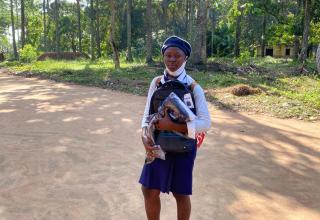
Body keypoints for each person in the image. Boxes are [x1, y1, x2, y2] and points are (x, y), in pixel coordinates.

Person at [139, 36, 211, 220]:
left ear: (185, 57)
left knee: (181, 193)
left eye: (176, 56)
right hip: (158, 145)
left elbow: (205, 123)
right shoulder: (156, 83)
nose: (171, 60)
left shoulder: (194, 88)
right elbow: (148, 112)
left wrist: (173, 126)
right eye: (167, 55)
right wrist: (144, 133)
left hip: (184, 147)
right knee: (149, 189)